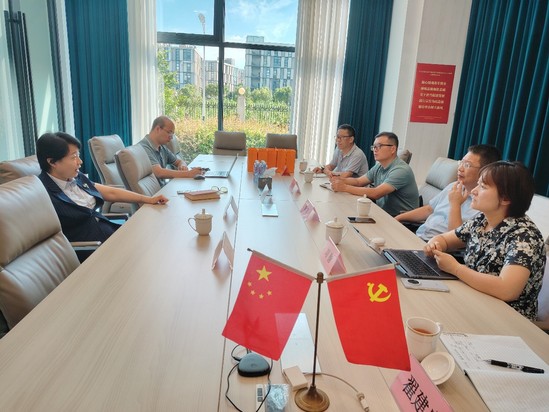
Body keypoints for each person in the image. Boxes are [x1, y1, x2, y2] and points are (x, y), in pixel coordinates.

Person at [424, 161, 545, 320]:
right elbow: (444, 239)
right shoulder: (482, 220)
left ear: (505, 198)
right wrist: (435, 244)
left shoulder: (524, 236)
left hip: (506, 319)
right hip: (472, 300)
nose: (474, 191)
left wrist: (456, 268)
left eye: (482, 187)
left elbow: (507, 290)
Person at [37, 132, 168, 250]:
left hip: (109, 236)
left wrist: (148, 199)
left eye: (78, 155)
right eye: (73, 157)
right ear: (52, 162)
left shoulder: (75, 177)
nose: (80, 162)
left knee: (156, 238)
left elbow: (111, 193)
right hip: (92, 249)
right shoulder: (42, 194)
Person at [396, 144, 501, 241]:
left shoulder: (483, 205)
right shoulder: (453, 186)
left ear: (484, 171)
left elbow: (457, 239)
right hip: (418, 235)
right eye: (461, 162)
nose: (460, 168)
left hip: (437, 247)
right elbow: (429, 209)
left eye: (467, 165)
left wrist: (455, 204)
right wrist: (398, 218)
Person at [330, 132, 419, 216]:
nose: (375, 150)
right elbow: (358, 182)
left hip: (401, 220)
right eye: (374, 147)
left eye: (379, 146)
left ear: (392, 149)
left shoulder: (401, 170)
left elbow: (376, 193)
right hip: (384, 213)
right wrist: (340, 180)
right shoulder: (379, 166)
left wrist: (344, 187)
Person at [138, 116, 203, 185]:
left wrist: (182, 166)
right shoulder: (144, 148)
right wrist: (188, 174)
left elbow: (179, 161)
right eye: (169, 132)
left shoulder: (162, 147)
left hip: (164, 188)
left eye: (172, 134)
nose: (171, 137)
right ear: (158, 129)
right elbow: (159, 172)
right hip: (158, 191)